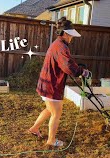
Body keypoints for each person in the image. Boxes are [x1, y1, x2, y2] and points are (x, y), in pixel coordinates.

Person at [28, 17, 91, 147]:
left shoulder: (58, 44)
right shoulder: (61, 47)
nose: (72, 38)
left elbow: (66, 62)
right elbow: (67, 66)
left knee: (50, 109)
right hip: (52, 84)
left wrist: (78, 69)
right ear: (66, 33)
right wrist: (82, 72)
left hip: (48, 83)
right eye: (71, 35)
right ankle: (51, 140)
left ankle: (34, 128)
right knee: (56, 113)